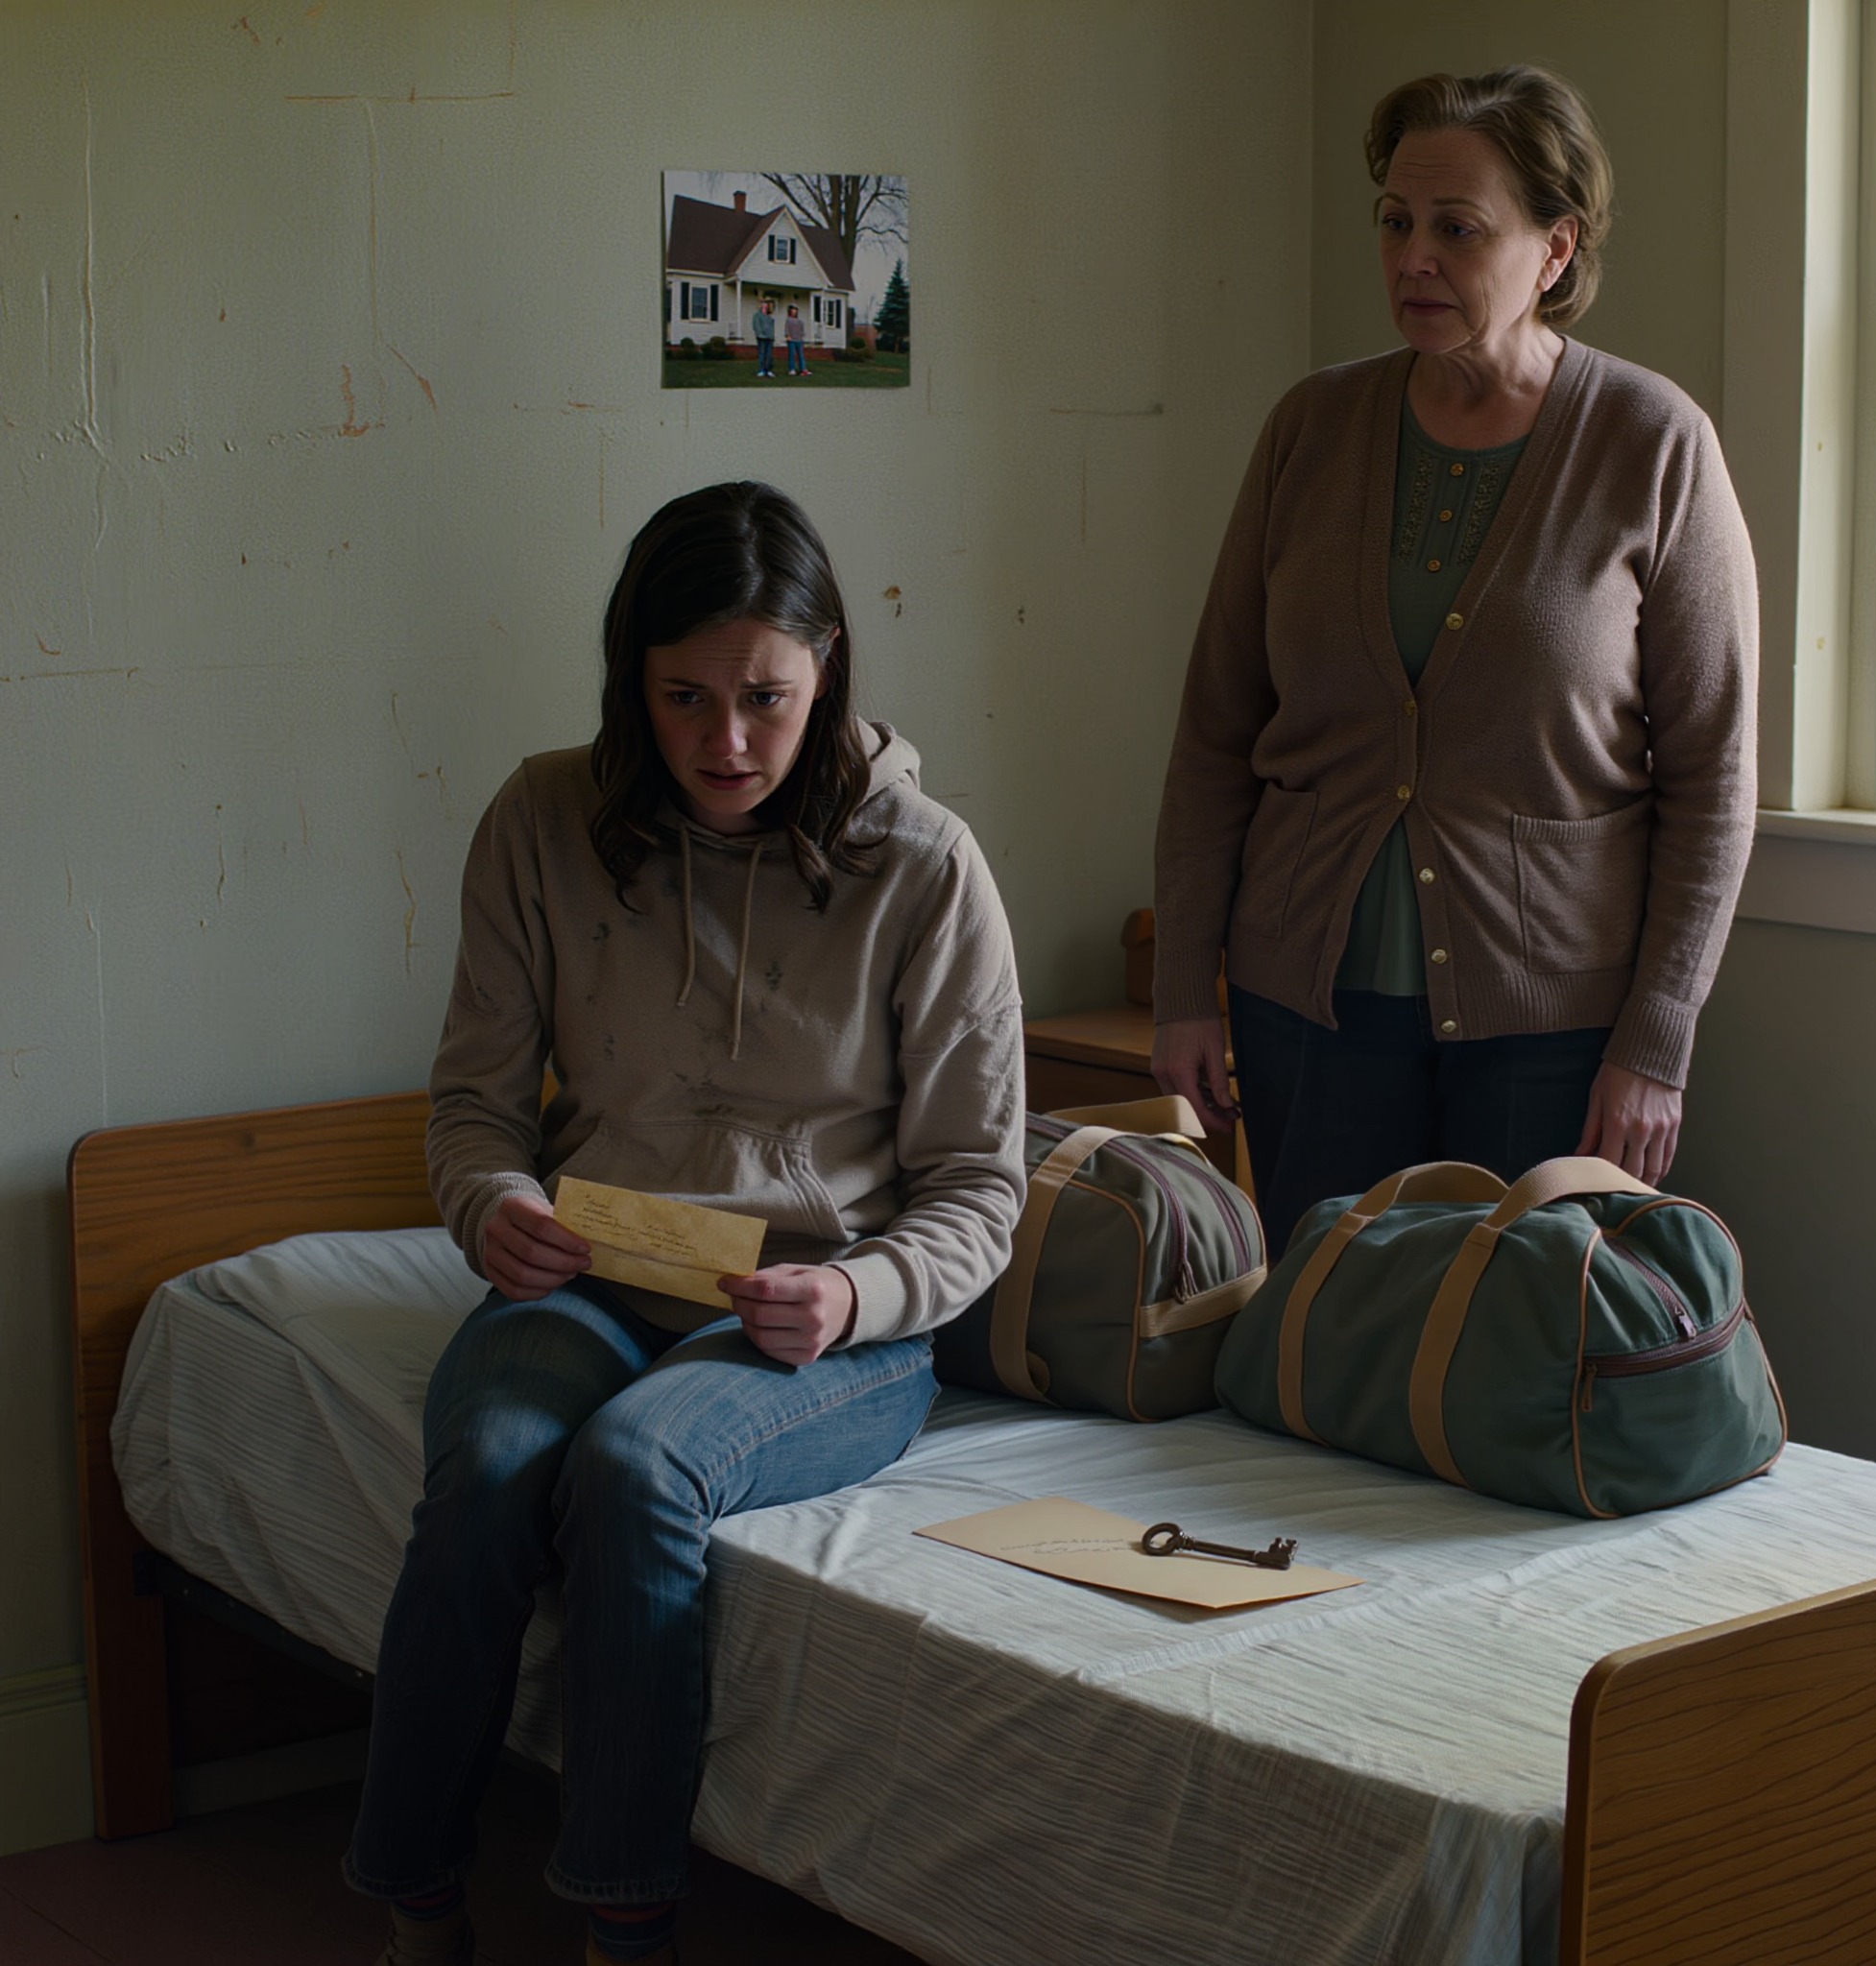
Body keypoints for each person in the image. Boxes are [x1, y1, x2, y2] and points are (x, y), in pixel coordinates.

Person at [344, 481, 1026, 1966]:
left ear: (826, 668)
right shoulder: (541, 821)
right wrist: (493, 1204)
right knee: (488, 1469)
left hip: (819, 1324)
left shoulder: (927, 866)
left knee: (633, 1467)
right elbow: (473, 1109)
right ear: (630, 680)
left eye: (766, 699)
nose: (726, 742)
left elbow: (981, 1189)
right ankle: (416, 1906)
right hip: (588, 1281)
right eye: (685, 699)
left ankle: (624, 1929)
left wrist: (858, 1298)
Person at [1151, 65, 1757, 1257]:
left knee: (1515, 1336)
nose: (1411, 258)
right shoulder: (1309, 428)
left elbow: (1711, 777)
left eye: (1456, 228)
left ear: (1553, 249)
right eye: (1393, 221)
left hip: (1551, 1024)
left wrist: (1655, 1039)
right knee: (1324, 1324)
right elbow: (1215, 732)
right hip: (1306, 1007)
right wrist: (1182, 988)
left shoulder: (1650, 442)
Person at [751, 298, 776, 377]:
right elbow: (756, 326)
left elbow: (771, 327)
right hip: (761, 338)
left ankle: (768, 370)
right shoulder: (757, 315)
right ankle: (762, 370)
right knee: (762, 354)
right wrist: (760, 334)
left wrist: (772, 336)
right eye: (763, 304)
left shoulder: (769, 316)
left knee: (769, 355)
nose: (765, 305)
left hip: (770, 338)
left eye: (766, 304)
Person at [784, 303, 808, 377]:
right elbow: (787, 330)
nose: (794, 311)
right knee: (792, 355)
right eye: (793, 310)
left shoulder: (799, 321)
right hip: (791, 340)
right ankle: (792, 369)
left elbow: (802, 331)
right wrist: (788, 336)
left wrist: (801, 336)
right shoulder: (788, 320)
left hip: (799, 340)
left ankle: (803, 369)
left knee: (801, 355)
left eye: (795, 310)